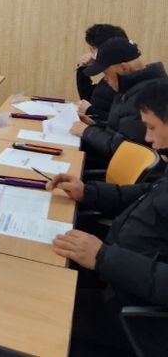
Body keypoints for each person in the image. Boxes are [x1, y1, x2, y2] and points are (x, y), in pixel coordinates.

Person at [49, 78, 168, 356]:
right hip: (117, 275)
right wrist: (87, 192)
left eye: (152, 128)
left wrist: (103, 257)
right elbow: (145, 193)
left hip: (136, 316)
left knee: (42, 312)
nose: (147, 138)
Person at [70, 37, 167, 169]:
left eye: (105, 73)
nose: (105, 79)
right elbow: (120, 130)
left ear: (124, 68)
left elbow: (125, 150)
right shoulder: (131, 87)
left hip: (112, 167)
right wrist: (94, 124)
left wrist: (87, 131)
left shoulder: (147, 95)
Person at [76, 24, 128, 122]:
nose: (91, 55)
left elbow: (122, 121)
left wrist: (90, 110)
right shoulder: (109, 72)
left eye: (93, 50)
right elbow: (90, 98)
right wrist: (83, 69)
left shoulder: (123, 77)